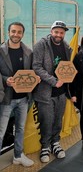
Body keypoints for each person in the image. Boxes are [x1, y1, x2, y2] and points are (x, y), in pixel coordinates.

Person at [32, 21, 71, 163]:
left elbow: (68, 66)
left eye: (61, 32)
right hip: (45, 93)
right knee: (46, 121)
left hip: (61, 93)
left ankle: (55, 143)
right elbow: (36, 66)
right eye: (56, 32)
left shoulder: (66, 46)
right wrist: (53, 81)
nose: (59, 35)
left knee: (57, 120)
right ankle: (45, 146)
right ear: (51, 31)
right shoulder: (40, 45)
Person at [0, 22, 35, 167]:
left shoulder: (28, 52)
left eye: (19, 32)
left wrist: (36, 78)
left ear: (22, 34)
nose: (16, 34)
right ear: (8, 32)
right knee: (0, 131)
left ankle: (18, 155)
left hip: (23, 99)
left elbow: (32, 72)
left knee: (20, 128)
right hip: (6, 99)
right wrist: (4, 80)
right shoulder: (1, 51)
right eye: (13, 31)